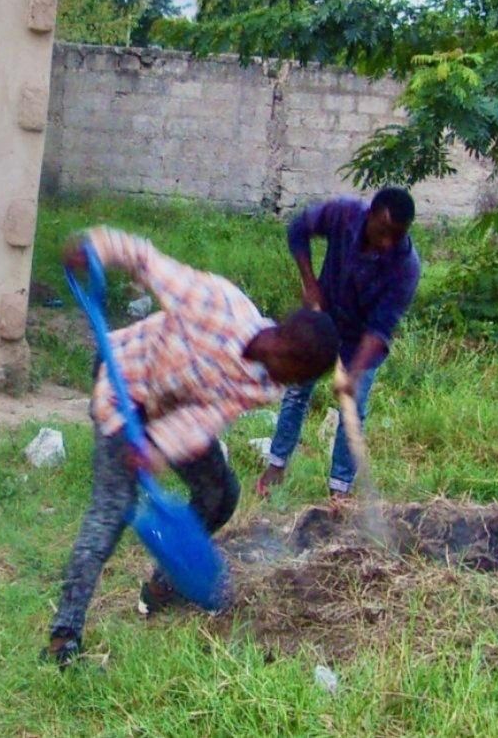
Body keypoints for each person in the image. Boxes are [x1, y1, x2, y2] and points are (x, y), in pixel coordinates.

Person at [43, 226, 340, 667]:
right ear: (284, 345)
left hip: (169, 409)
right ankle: (63, 635)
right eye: (294, 375)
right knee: (111, 510)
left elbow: (205, 418)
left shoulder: (264, 384)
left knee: (221, 493)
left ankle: (166, 582)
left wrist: (157, 449)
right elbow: (147, 260)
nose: (289, 386)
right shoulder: (215, 305)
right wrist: (96, 247)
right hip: (124, 387)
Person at [255, 188, 420, 501]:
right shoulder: (343, 215)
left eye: (396, 236)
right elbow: (298, 230)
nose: (387, 243)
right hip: (323, 321)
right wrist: (310, 284)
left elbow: (381, 327)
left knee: (352, 411)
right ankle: (276, 467)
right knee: (297, 391)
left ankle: (339, 491)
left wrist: (353, 372)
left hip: (363, 340)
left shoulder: (405, 267)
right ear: (370, 215)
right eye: (383, 232)